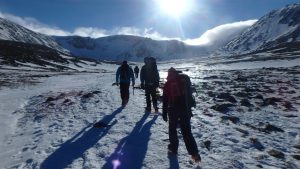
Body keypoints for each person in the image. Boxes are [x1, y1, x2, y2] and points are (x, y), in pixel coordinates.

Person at [162, 67, 201, 163]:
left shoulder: (168, 84)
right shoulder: (183, 80)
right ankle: (194, 154)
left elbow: (165, 100)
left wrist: (164, 112)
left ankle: (173, 149)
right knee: (187, 131)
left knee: (172, 129)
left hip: (173, 109)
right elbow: (189, 96)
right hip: (185, 109)